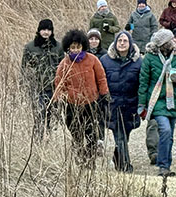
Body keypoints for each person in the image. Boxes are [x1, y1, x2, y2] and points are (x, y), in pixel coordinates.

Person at [137, 28, 176, 177]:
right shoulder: (150, 59)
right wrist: (141, 104)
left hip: (173, 101)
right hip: (157, 101)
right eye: (169, 40)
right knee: (164, 130)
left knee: (169, 135)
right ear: (162, 44)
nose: (173, 42)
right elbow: (143, 82)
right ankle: (163, 166)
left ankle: (166, 164)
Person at [54, 29, 110, 158]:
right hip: (72, 104)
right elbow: (59, 83)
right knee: (76, 134)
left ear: (83, 46)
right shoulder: (65, 63)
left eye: (78, 47)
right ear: (68, 48)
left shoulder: (93, 60)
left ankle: (90, 159)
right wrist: (58, 99)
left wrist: (104, 94)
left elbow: (101, 78)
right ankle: (80, 157)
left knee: (91, 134)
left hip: (91, 103)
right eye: (72, 47)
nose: (75, 50)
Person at [100, 30, 142, 172]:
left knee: (125, 135)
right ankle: (125, 166)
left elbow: (142, 84)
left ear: (130, 44)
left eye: (125, 41)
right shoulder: (105, 60)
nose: (122, 43)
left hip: (130, 105)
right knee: (120, 136)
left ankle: (117, 158)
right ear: (115, 42)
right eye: (120, 41)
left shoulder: (138, 61)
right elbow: (101, 81)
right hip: (112, 104)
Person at [20, 18, 63, 138]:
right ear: (39, 31)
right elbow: (24, 68)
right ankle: (38, 141)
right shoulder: (30, 47)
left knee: (53, 117)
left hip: (54, 88)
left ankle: (50, 139)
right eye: (43, 29)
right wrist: (23, 86)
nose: (46, 32)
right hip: (37, 88)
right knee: (39, 116)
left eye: (49, 30)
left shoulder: (58, 47)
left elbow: (63, 68)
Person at [86, 28, 107, 143]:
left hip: (99, 89)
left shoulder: (104, 54)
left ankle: (101, 140)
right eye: (91, 39)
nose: (93, 41)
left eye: (96, 39)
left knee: (100, 116)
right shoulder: (84, 54)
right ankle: (90, 140)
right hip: (88, 89)